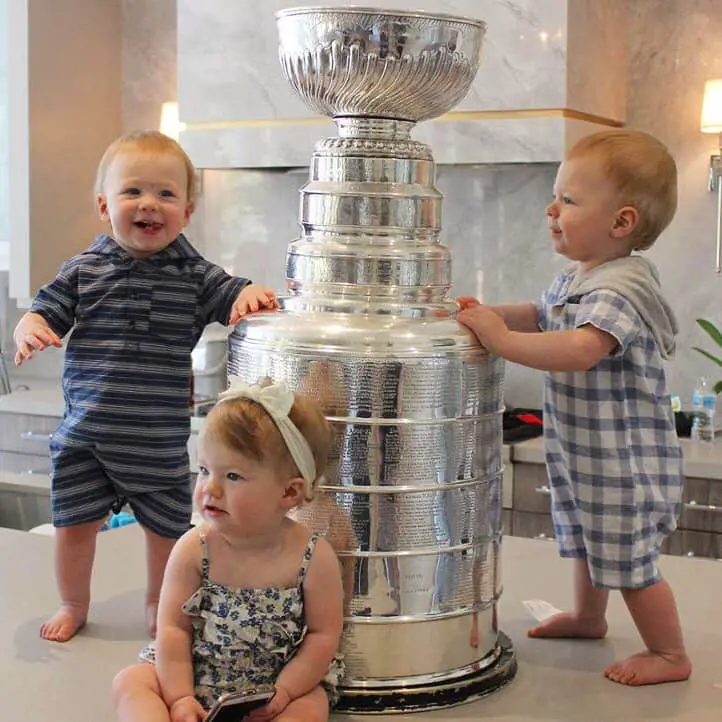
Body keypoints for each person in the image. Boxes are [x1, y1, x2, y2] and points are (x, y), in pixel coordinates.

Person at [12, 130, 279, 643]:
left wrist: (247, 292)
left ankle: (159, 602)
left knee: (166, 535)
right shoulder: (83, 270)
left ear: (188, 209)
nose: (148, 204)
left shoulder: (196, 274)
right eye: (133, 192)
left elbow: (229, 293)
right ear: (103, 205)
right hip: (85, 437)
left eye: (165, 193)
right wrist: (30, 326)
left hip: (155, 440)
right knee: (73, 528)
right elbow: (45, 308)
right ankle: (73, 602)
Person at [457, 129, 692, 687]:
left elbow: (580, 350)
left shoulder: (621, 287)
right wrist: (486, 314)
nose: (551, 208)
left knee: (630, 559)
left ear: (622, 223)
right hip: (587, 451)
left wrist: (499, 340)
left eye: (569, 199)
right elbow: (540, 315)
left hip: (623, 461)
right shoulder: (580, 275)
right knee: (589, 539)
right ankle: (589, 616)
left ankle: (668, 653)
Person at [111, 380, 345, 722]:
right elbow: (173, 629)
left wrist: (287, 691)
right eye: (205, 470)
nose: (210, 488)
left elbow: (324, 636)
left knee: (311, 707)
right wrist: (179, 698)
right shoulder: (194, 549)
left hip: (274, 686)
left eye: (233, 475)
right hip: (193, 675)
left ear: (289, 493)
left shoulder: (313, 557)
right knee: (130, 682)